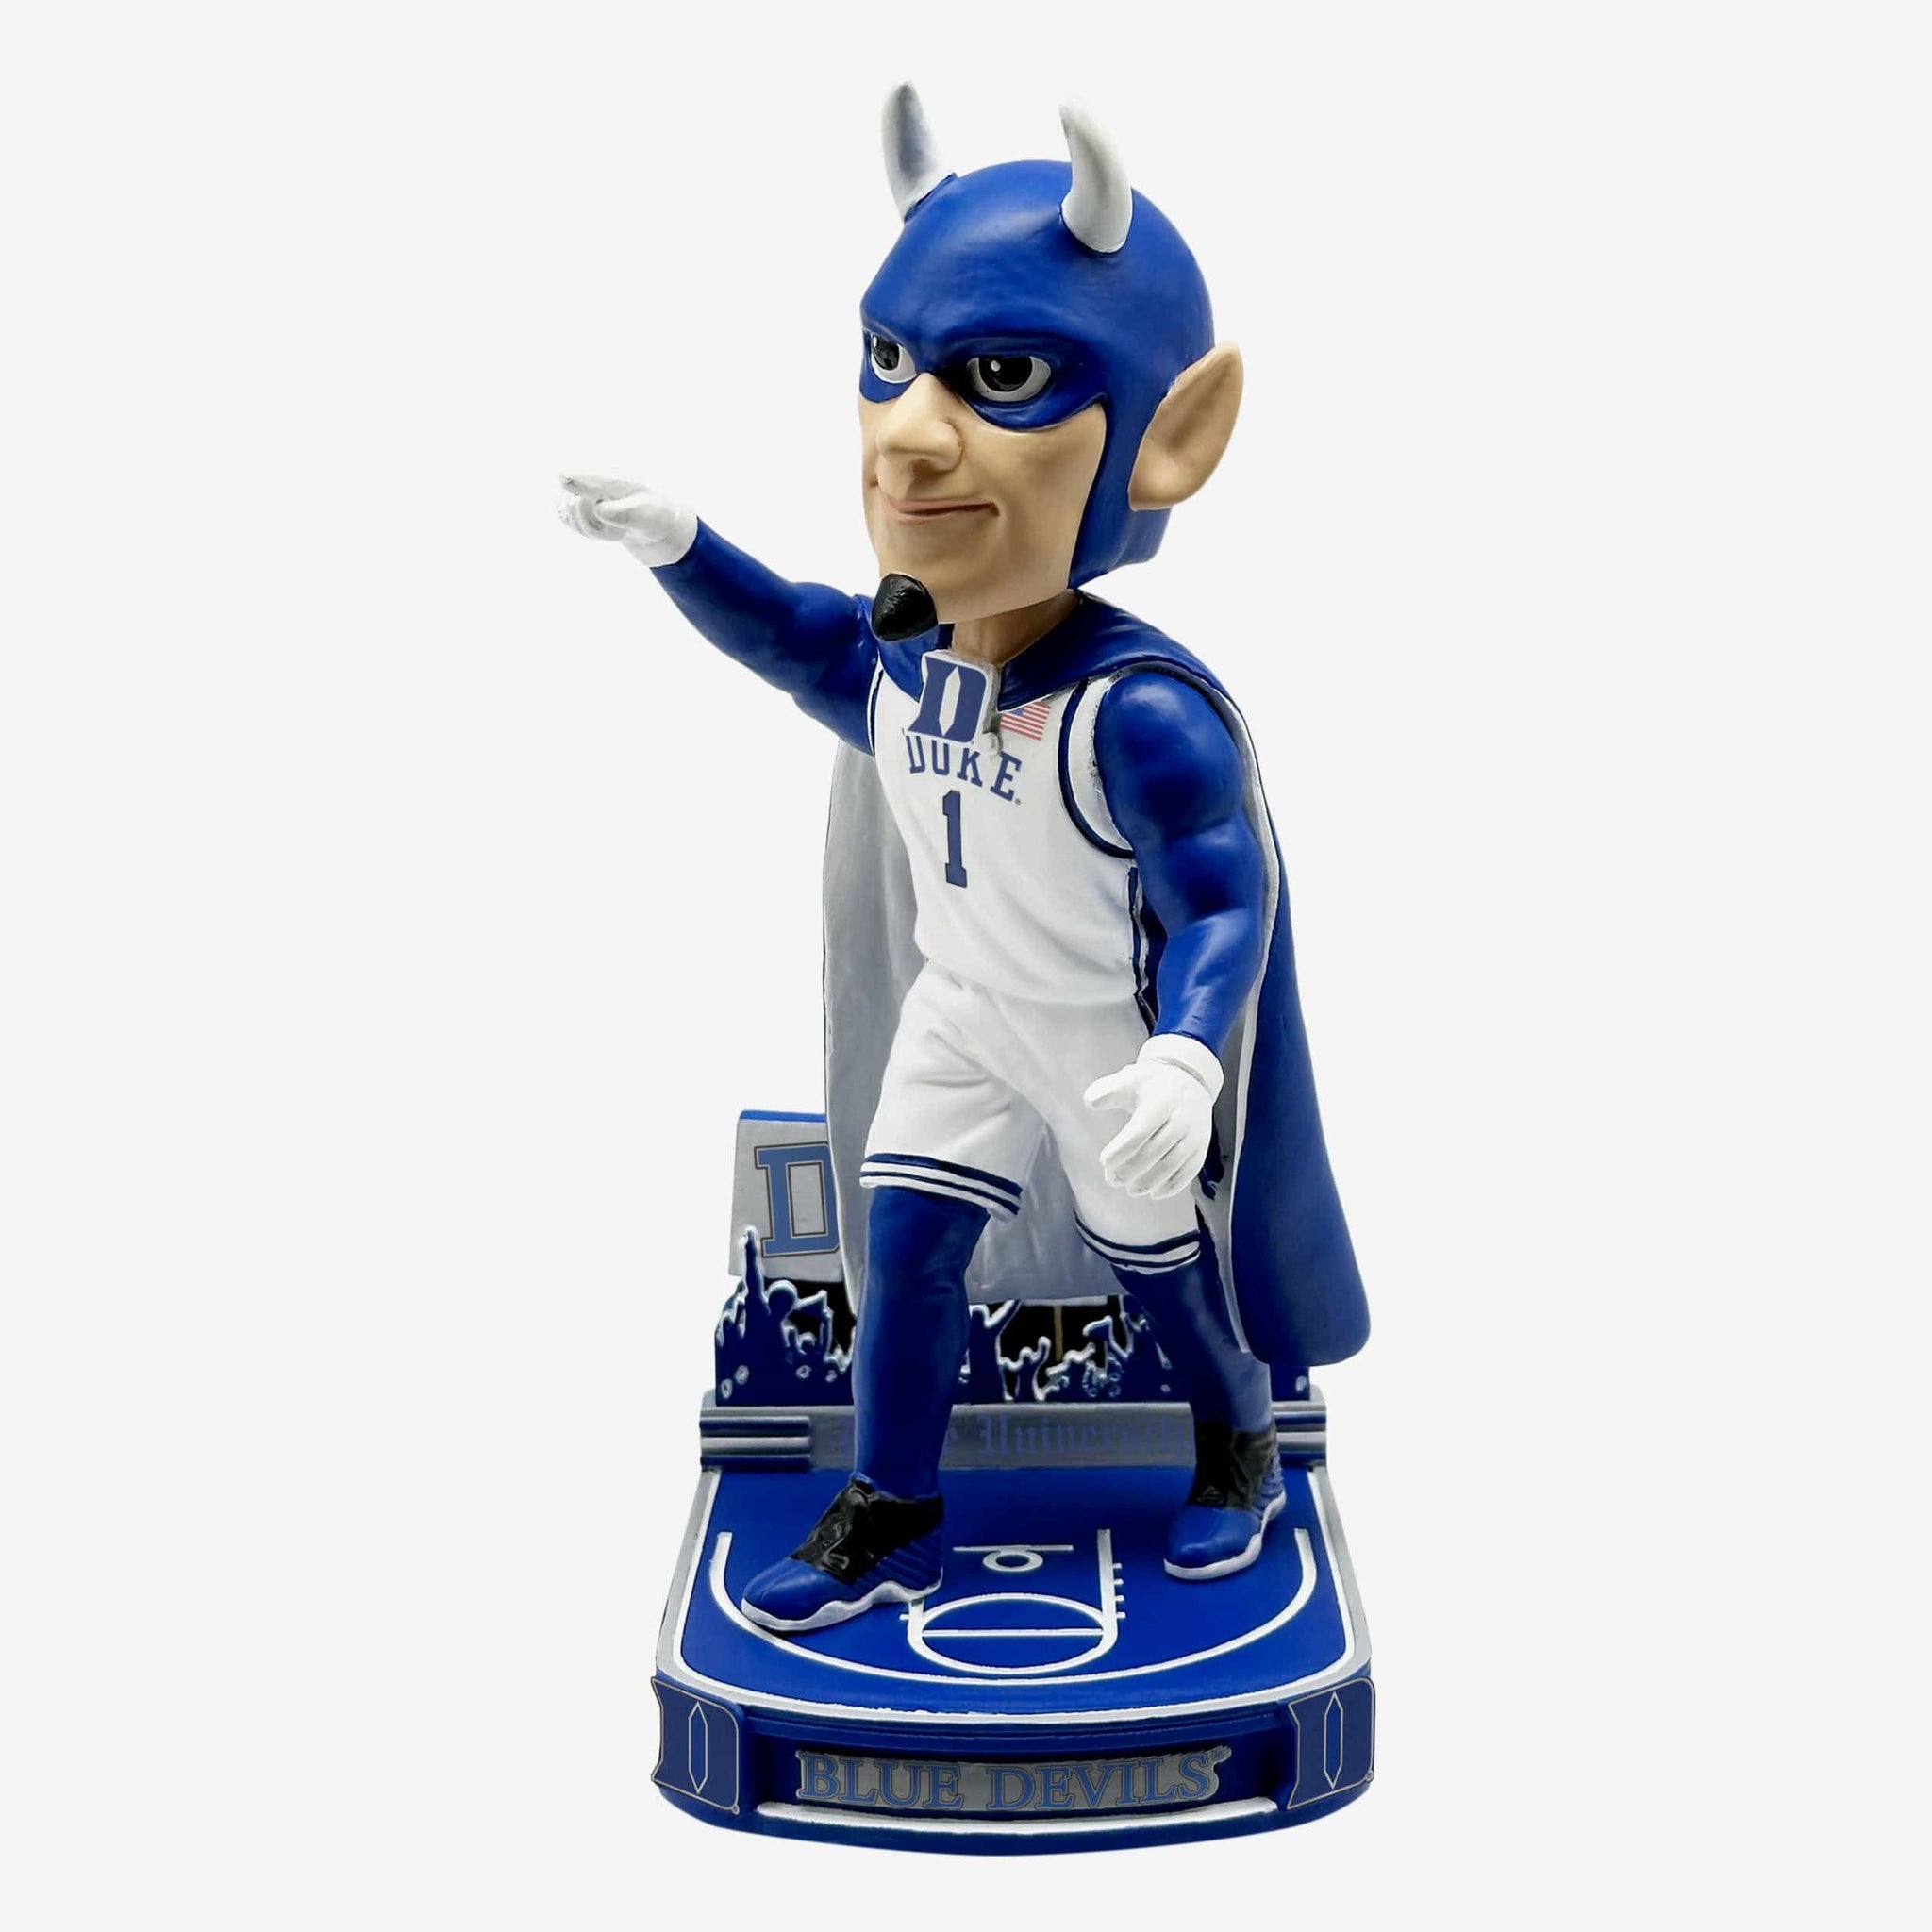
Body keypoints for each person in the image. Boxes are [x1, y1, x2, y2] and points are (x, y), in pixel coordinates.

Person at [560, 87, 1367, 1634]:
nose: (913, 435)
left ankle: (1238, 1442)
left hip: (1099, 1037)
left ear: (1169, 437)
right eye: (891, 363)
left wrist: (1191, 1055)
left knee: (1156, 1268)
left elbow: (1224, 900)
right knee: (906, 1250)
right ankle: (894, 1504)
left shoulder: (1139, 714)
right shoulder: (911, 657)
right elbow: (801, 640)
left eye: (1000, 378)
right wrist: (681, 546)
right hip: (961, 1010)